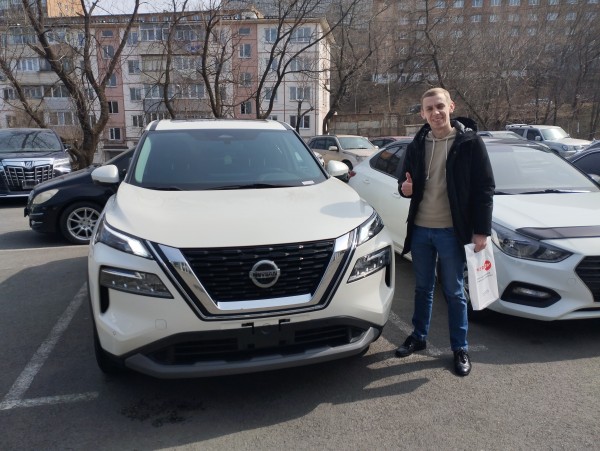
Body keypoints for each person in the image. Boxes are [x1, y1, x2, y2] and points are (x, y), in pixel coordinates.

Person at [395, 87, 495, 376]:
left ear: (451, 106)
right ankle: (418, 336)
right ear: (422, 114)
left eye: (440, 106)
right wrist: (405, 189)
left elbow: (484, 188)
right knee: (422, 288)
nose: (435, 113)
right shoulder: (417, 144)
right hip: (421, 229)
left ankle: (459, 347)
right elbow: (404, 182)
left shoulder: (469, 143)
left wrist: (481, 231)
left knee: (453, 291)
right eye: (429, 109)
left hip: (452, 231)